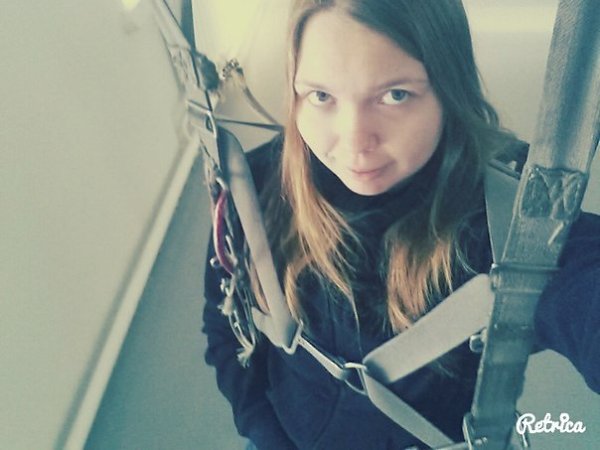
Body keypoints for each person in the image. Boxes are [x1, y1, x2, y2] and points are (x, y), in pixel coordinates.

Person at [202, 1, 600, 449]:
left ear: (449, 90)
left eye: (395, 95)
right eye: (321, 96)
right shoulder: (255, 188)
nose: (354, 141)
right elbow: (224, 318)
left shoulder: (514, 229)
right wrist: (263, 431)